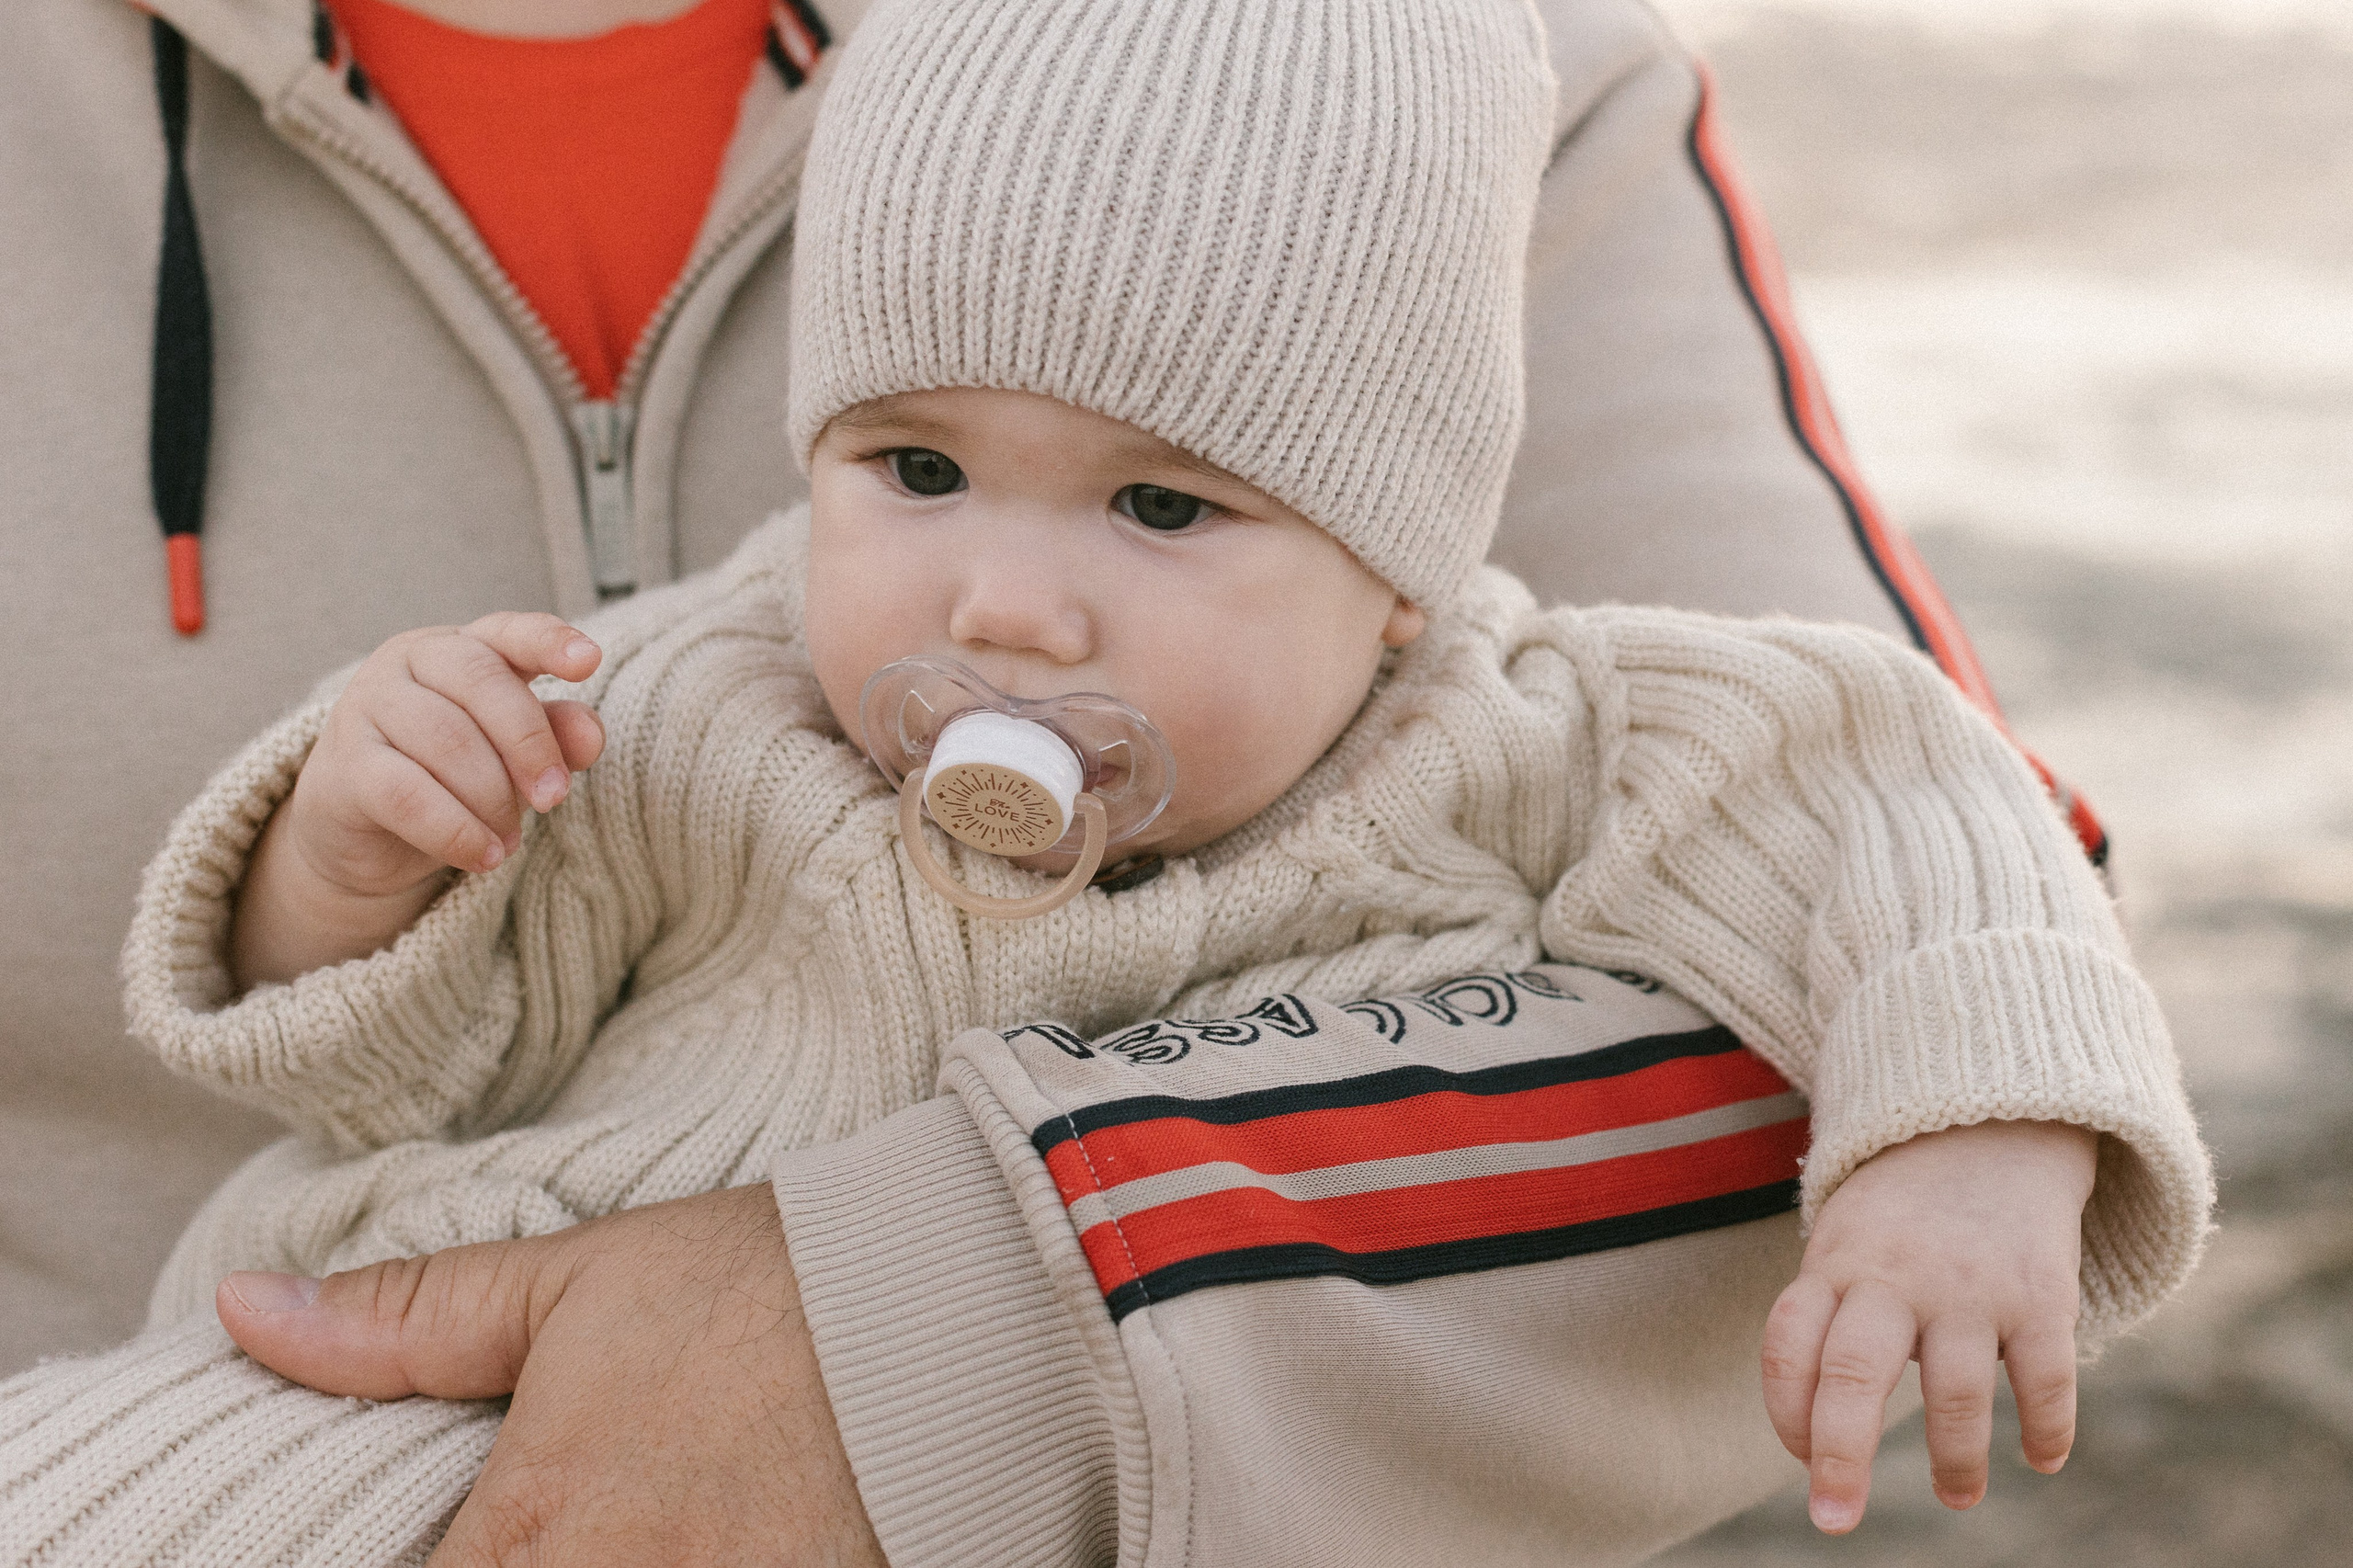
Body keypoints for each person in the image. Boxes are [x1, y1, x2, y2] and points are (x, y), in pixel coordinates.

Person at [3, 2, 2208, 1562]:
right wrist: (352, 848)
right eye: (917, 468)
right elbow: (414, 1045)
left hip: (1167, 1493)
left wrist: (1955, 1135)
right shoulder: (714, 693)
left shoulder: (1530, 731)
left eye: (1161, 512)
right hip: (385, 1366)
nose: (1008, 606)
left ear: (1396, 580)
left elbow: (1913, 801)